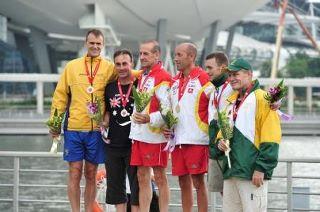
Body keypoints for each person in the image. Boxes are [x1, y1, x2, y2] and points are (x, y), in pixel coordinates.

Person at [49, 29, 117, 212]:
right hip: (74, 128)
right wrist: (55, 123)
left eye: (98, 44)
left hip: (96, 131)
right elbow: (60, 96)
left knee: (91, 173)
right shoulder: (72, 67)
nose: (95, 46)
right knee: (74, 172)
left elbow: (122, 85)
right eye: (92, 43)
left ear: (103, 45)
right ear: (85, 43)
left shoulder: (110, 68)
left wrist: (108, 114)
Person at [210, 58, 282, 212]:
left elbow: (271, 138)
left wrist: (261, 169)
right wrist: (220, 143)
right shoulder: (231, 102)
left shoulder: (264, 99)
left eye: (236, 74)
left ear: (249, 74)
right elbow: (221, 134)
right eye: (229, 75)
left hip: (251, 173)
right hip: (231, 172)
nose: (231, 79)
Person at [165, 43, 214, 212]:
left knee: (198, 182)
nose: (175, 58)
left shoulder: (203, 78)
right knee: (182, 181)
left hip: (197, 139)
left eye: (179, 55)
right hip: (178, 139)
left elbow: (218, 102)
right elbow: (173, 109)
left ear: (191, 57)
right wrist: (168, 126)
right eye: (175, 54)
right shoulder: (174, 80)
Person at [130, 40, 171, 212]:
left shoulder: (163, 77)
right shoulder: (142, 75)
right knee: (141, 177)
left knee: (160, 178)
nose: (142, 57)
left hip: (156, 136)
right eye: (140, 53)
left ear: (156, 54)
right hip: (140, 135)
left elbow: (168, 110)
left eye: (146, 53)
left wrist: (149, 118)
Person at [103, 49, 139, 212]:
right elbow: (107, 112)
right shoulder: (109, 87)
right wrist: (103, 121)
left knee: (137, 187)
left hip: (134, 145)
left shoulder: (140, 85)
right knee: (116, 190)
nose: (122, 67)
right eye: (118, 64)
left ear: (132, 64)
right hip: (113, 145)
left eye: (125, 63)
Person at [205, 52, 233, 194]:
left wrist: (275, 103)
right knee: (223, 192)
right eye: (206, 68)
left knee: (231, 192)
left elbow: (256, 93)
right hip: (215, 146)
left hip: (228, 147)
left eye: (210, 68)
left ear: (222, 68)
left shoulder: (233, 87)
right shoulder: (214, 88)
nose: (207, 72)